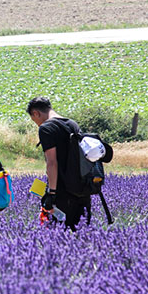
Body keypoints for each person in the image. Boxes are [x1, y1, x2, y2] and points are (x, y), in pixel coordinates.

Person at [26, 96, 90, 231]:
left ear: (36, 113)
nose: (36, 123)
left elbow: (52, 163)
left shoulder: (46, 128)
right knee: (82, 235)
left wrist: (52, 193)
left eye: (34, 120)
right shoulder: (73, 124)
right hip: (81, 188)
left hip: (62, 192)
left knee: (60, 236)